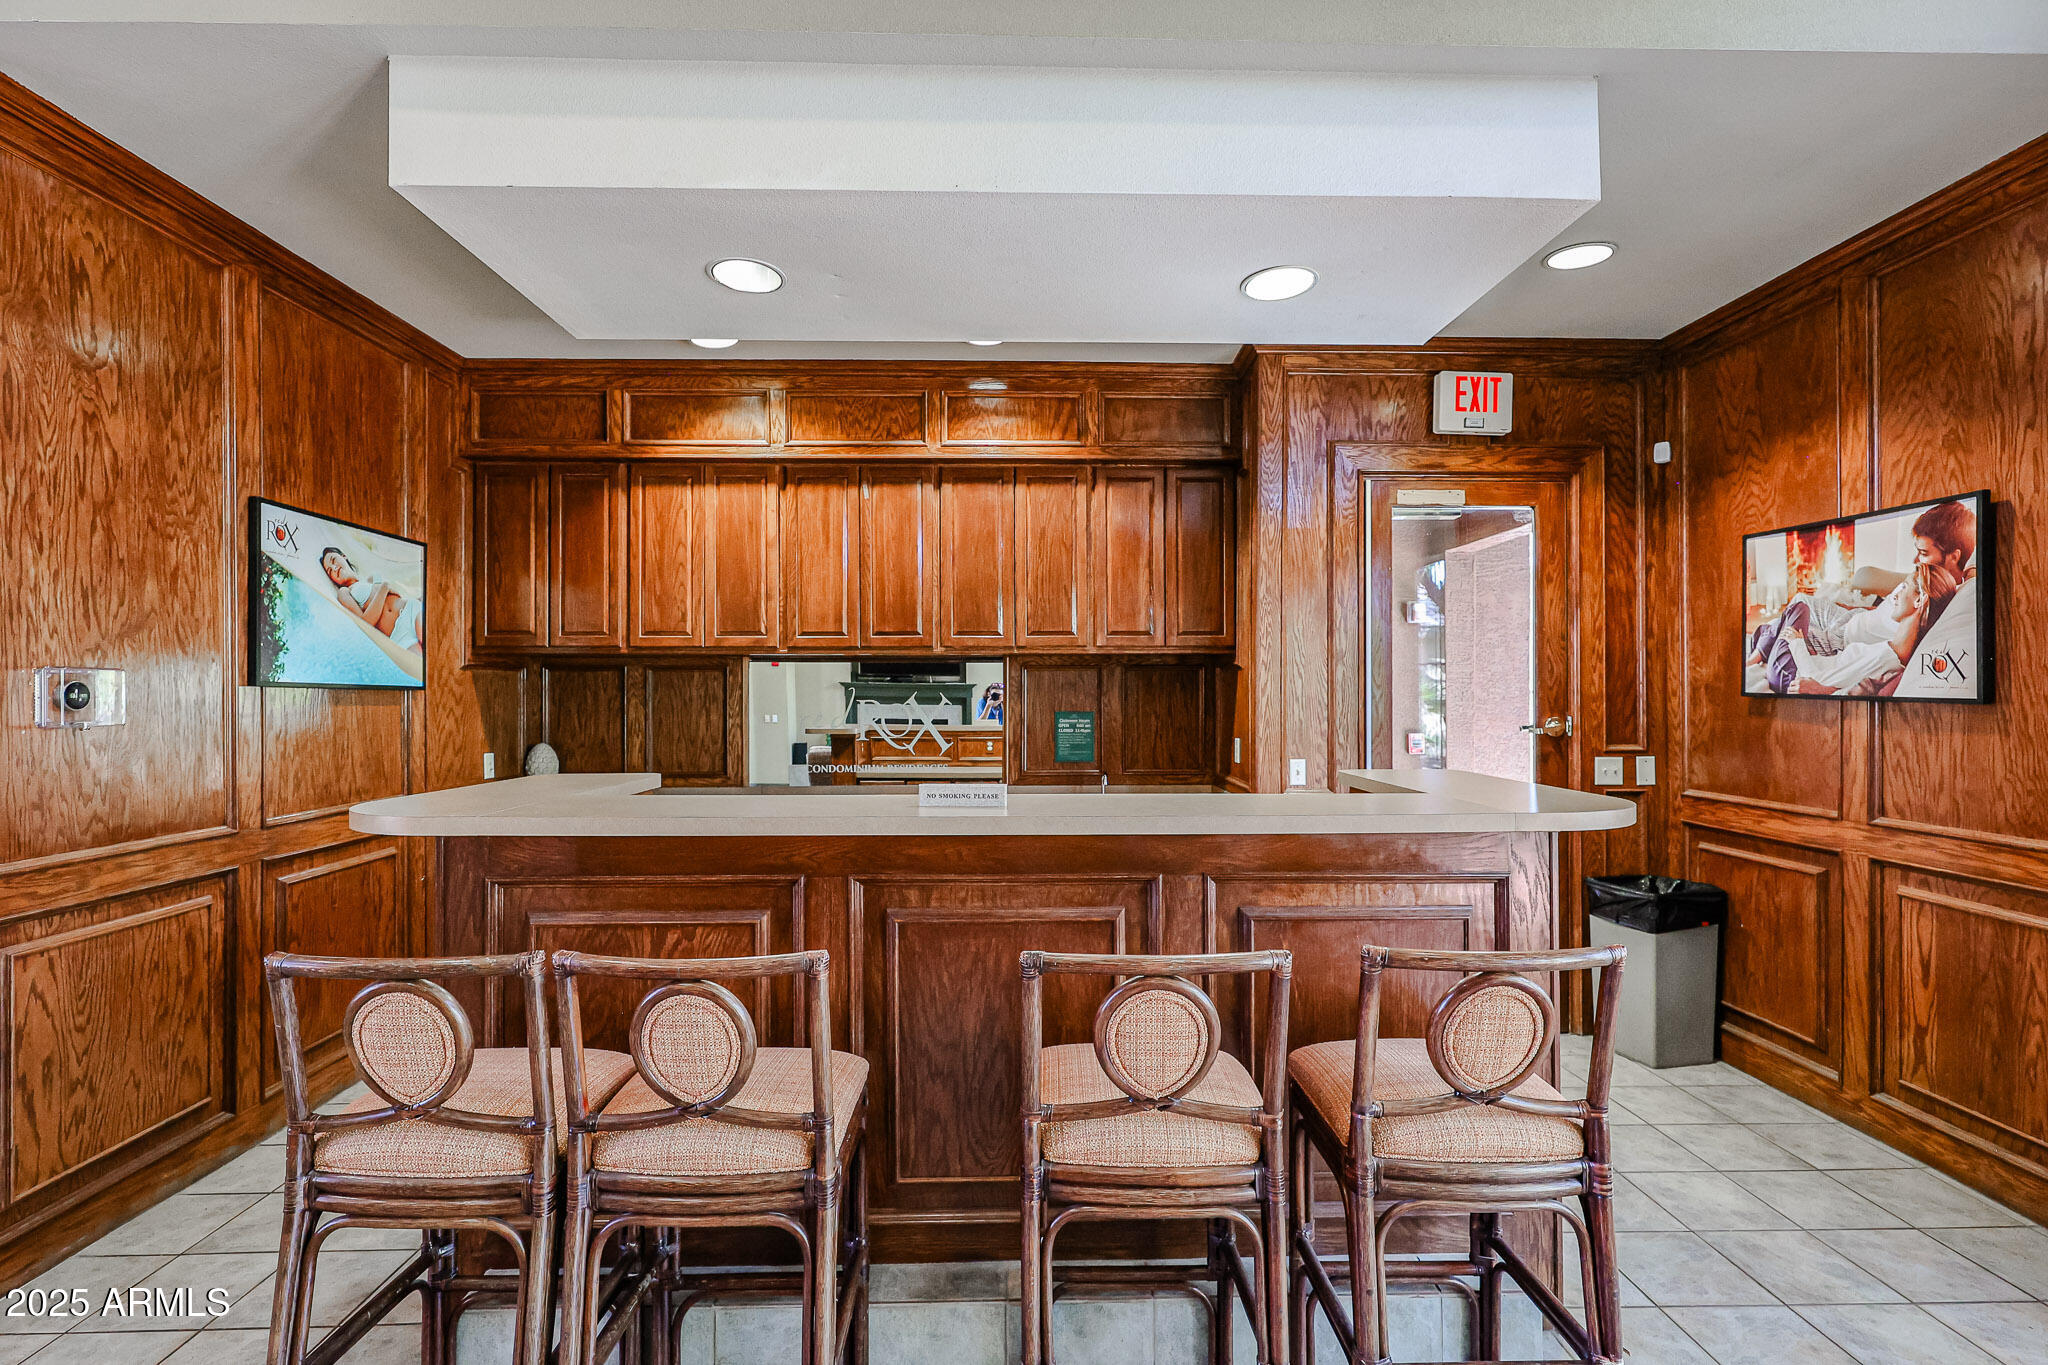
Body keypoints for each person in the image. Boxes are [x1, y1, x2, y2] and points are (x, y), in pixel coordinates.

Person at [321, 547, 424, 655]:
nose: (334, 568)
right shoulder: (344, 592)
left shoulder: (372, 579)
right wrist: (384, 588)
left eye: (333, 560)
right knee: (421, 661)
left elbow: (398, 595)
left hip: (411, 610)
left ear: (343, 556)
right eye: (330, 571)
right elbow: (364, 625)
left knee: (428, 635)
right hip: (398, 635)